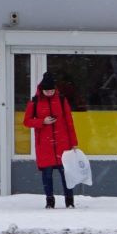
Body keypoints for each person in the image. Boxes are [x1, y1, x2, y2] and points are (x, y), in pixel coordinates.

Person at [24, 74, 78, 209]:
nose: (49, 93)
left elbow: (69, 121)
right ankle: (49, 201)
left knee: (66, 174)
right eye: (47, 91)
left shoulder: (61, 99)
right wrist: (42, 121)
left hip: (62, 144)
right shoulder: (35, 102)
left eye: (52, 91)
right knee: (47, 175)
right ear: (41, 89)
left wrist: (73, 142)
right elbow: (27, 121)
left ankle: (69, 201)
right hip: (45, 146)